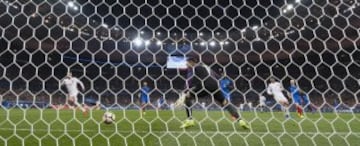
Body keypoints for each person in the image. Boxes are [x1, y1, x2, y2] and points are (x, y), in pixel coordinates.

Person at [176, 57, 249, 129]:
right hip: (215, 86)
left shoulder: (195, 68)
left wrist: (186, 91)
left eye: (187, 62)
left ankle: (190, 120)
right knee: (225, 103)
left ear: (191, 62)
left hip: (204, 86)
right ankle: (241, 121)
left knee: (187, 98)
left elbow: (192, 80)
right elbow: (217, 77)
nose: (186, 64)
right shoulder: (206, 67)